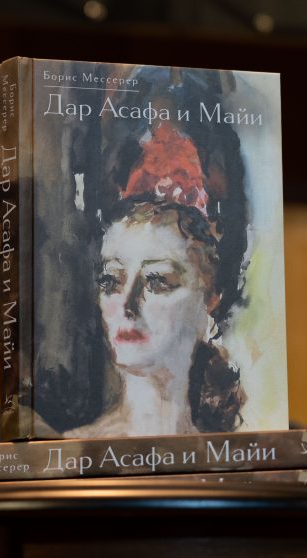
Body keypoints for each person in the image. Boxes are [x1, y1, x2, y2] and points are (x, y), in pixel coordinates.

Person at [65, 123, 247, 437]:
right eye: (110, 281)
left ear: (210, 301)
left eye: (157, 281)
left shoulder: (238, 451)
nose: (126, 305)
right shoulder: (73, 451)